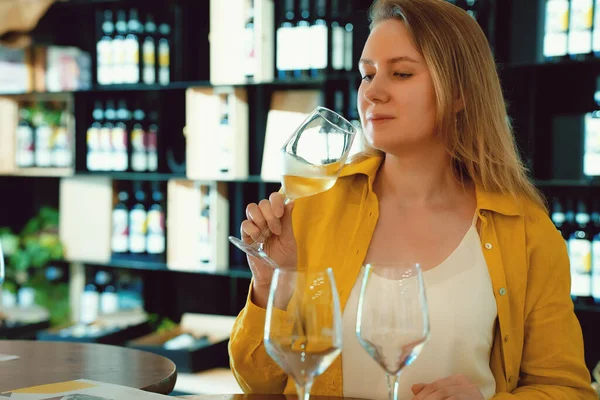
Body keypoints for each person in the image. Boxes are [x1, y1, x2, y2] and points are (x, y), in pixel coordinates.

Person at [228, 0, 597, 399]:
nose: (373, 93)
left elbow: (566, 389)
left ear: (459, 93)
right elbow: (257, 384)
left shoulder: (525, 230)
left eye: (401, 73)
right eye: (367, 75)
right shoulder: (313, 206)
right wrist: (269, 284)